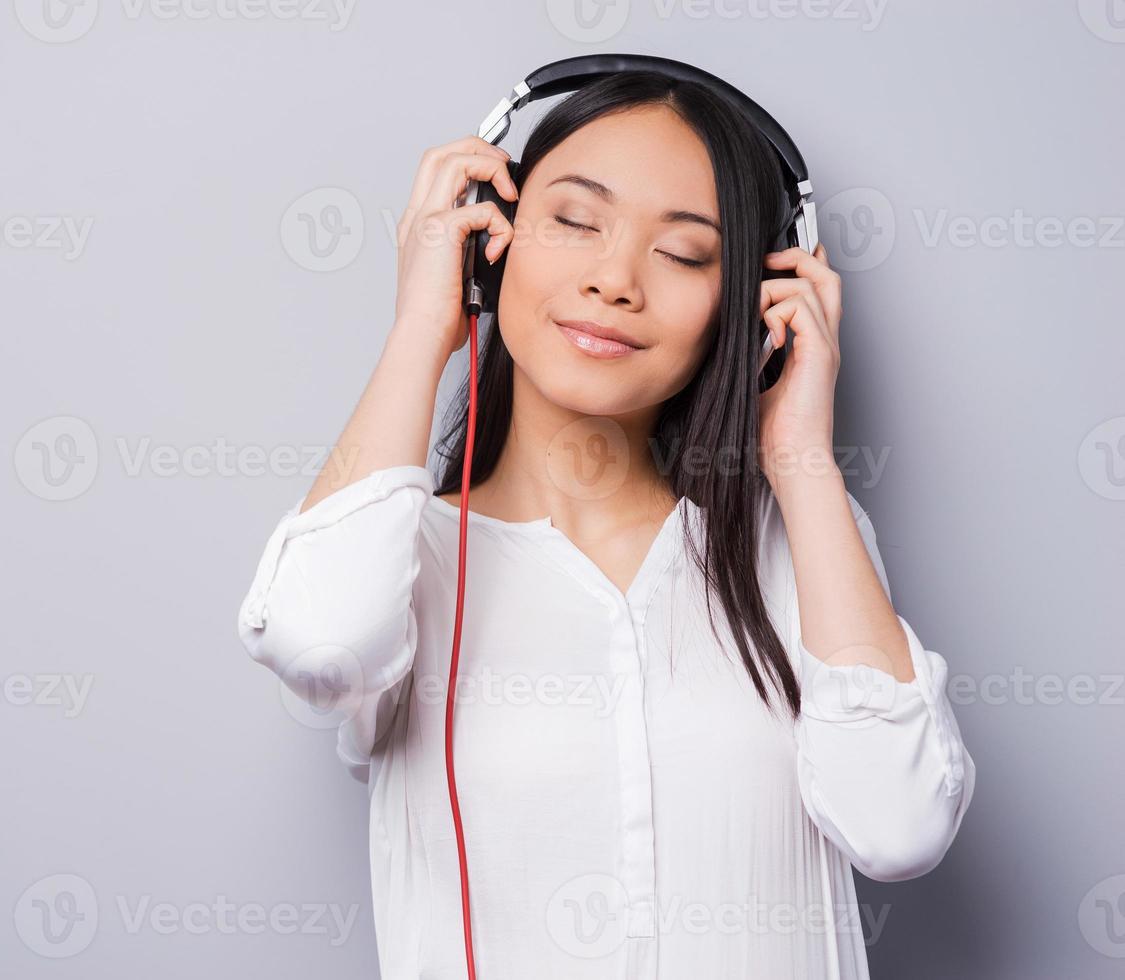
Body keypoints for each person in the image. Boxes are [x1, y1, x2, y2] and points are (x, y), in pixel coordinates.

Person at [237, 70, 976, 980]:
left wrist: (801, 460)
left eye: (685, 255)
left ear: (750, 307)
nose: (614, 281)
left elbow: (898, 825)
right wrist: (423, 324)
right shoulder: (403, 557)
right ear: (487, 244)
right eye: (576, 221)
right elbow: (318, 645)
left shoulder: (796, 545)